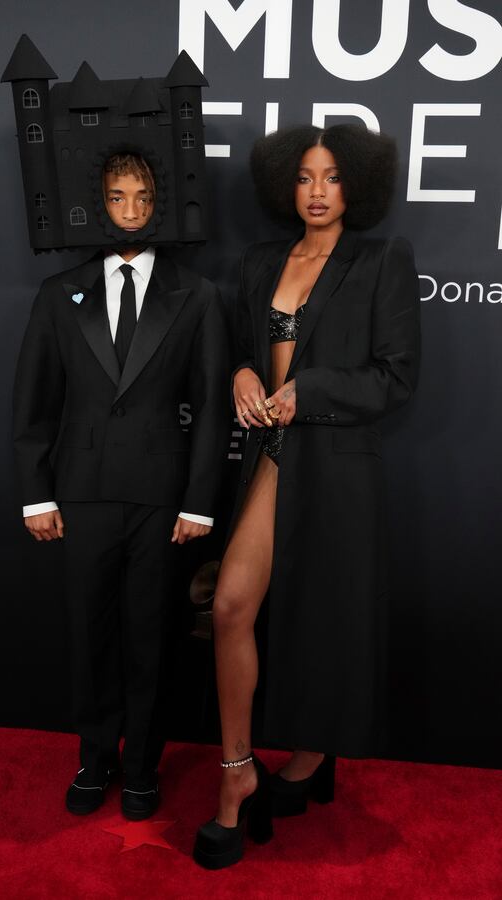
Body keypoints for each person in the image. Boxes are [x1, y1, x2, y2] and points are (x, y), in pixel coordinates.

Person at [193, 124, 420, 869]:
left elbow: (395, 378)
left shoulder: (382, 261)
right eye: (303, 178)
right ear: (284, 188)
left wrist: (306, 391)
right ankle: (236, 773)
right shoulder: (263, 262)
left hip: (336, 465)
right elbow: (239, 352)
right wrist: (243, 377)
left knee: (324, 622)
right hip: (268, 456)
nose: (317, 192)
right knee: (230, 606)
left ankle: (312, 758)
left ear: (356, 183)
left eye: (330, 177)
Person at [13, 153, 229, 820]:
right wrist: (37, 492)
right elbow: (34, 402)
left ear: (160, 204)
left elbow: (213, 408)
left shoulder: (195, 294)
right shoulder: (59, 293)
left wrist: (198, 500)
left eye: (142, 197)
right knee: (90, 633)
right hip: (80, 493)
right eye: (117, 196)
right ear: (96, 202)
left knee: (151, 636)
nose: (131, 209)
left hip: (162, 497)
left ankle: (142, 767)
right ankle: (95, 756)